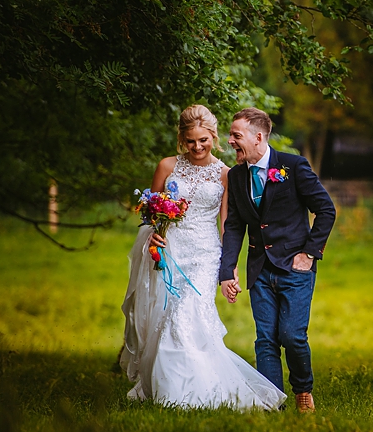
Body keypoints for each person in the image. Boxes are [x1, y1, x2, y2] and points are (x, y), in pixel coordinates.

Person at [120, 105, 286, 410]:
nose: (197, 147)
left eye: (203, 141)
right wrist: (154, 234)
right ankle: (169, 387)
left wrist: (229, 268)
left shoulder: (225, 174)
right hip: (171, 251)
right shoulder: (167, 166)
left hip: (206, 254)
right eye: (190, 141)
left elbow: (227, 224)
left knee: (187, 315)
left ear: (214, 137)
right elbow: (150, 214)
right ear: (182, 139)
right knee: (165, 317)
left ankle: (185, 394)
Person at [218, 107, 336, 413]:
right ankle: (272, 402)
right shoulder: (236, 175)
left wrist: (309, 253)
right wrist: (227, 269)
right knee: (266, 340)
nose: (230, 140)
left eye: (236, 135)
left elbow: (326, 210)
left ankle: (302, 389)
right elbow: (234, 225)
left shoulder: (293, 167)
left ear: (258, 137)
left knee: (292, 336)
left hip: (295, 269)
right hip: (259, 271)